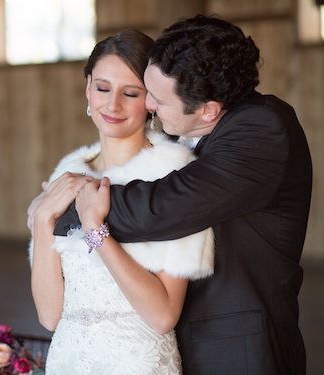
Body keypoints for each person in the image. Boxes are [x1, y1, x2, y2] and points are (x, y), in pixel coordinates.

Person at [51, 15, 312, 375]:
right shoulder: (178, 131)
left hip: (236, 351)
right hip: (167, 347)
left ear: (209, 110)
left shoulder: (263, 129)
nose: (150, 108)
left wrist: (67, 203)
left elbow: (164, 207)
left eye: (156, 98)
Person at [29, 29, 214, 374]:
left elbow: (162, 316)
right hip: (68, 360)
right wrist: (42, 220)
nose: (112, 105)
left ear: (152, 101)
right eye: (102, 88)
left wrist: (95, 231)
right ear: (88, 89)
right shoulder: (66, 175)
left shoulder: (174, 175)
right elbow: (50, 316)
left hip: (137, 361)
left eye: (131, 93)